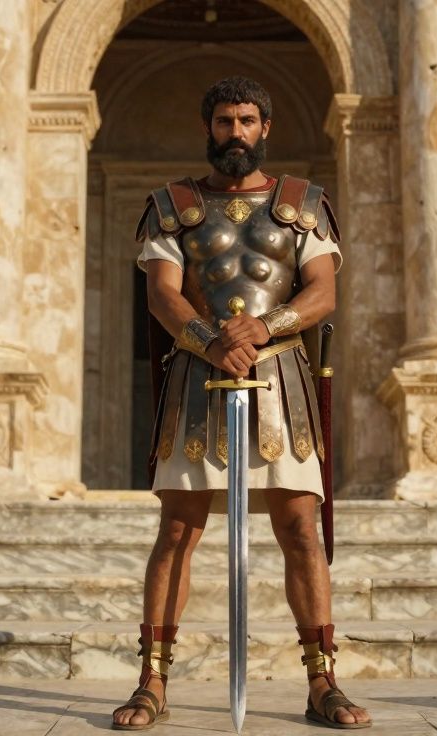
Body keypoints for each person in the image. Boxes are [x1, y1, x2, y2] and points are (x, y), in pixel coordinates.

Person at [112, 76, 371, 731]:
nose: (236, 132)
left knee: (300, 532)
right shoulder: (171, 205)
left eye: (247, 121)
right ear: (210, 128)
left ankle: (323, 681)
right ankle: (152, 681)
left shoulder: (304, 203)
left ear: (266, 128)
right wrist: (207, 338)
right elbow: (163, 294)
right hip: (196, 384)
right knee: (177, 532)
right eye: (225, 121)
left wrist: (263, 328)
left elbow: (322, 292)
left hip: (282, 383)